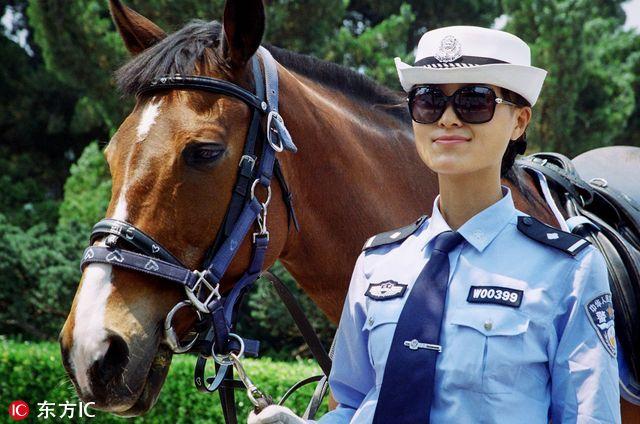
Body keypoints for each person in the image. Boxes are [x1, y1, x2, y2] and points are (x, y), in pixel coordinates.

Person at [248, 25, 621, 424]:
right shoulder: (378, 262)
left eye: (473, 101)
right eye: (429, 100)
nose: (446, 118)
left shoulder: (568, 270)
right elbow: (354, 404)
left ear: (519, 121)